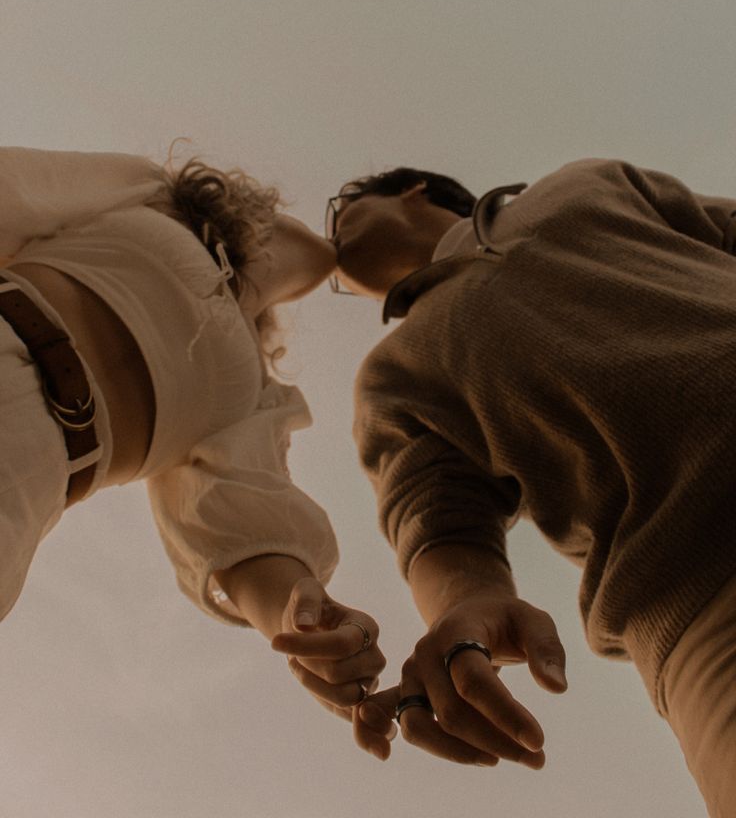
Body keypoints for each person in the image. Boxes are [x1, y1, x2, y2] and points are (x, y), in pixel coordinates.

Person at [302, 159, 734, 814]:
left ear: (413, 191)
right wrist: (466, 604)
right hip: (702, 601)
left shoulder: (586, 183)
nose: (330, 247)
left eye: (343, 213)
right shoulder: (393, 378)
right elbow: (437, 523)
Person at [0, 145, 387, 735]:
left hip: (26, 479)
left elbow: (243, 532)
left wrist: (304, 618)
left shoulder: (253, 395)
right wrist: (335, 252)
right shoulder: (143, 194)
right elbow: (13, 187)